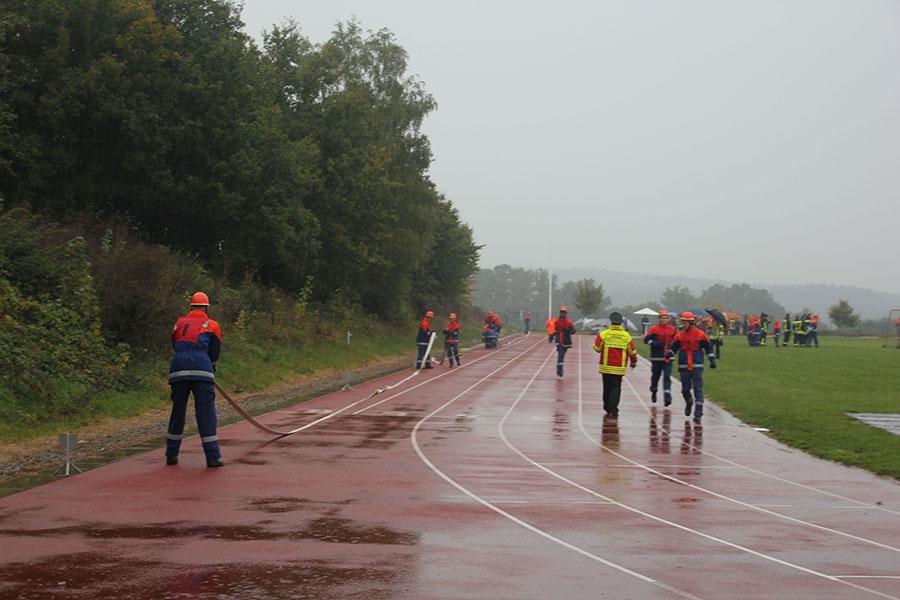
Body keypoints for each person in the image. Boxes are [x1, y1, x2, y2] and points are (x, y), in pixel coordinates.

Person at [166, 292, 224, 467]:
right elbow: (214, 352)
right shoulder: (212, 325)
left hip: (178, 369)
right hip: (202, 370)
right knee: (205, 412)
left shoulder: (179, 323)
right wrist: (210, 367)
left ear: (191, 306)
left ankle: (171, 454)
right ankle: (212, 457)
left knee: (178, 411)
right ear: (206, 307)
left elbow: (175, 344)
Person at [667, 311, 716, 424]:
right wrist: (669, 353)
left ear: (690, 322)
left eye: (684, 322)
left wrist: (712, 360)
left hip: (697, 365)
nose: (682, 324)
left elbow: (708, 348)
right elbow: (673, 348)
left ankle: (698, 413)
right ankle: (689, 402)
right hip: (684, 366)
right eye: (682, 321)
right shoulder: (679, 335)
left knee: (698, 389)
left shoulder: (701, 334)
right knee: (685, 389)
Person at [593, 312, 638, 417]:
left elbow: (597, 348)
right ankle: (614, 408)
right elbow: (632, 352)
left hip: (606, 367)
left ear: (611, 322)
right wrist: (633, 362)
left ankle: (607, 407)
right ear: (621, 323)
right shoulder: (627, 336)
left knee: (607, 387)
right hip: (619, 368)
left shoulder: (604, 334)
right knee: (616, 387)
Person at [644, 309, 677, 406]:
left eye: (665, 318)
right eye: (662, 318)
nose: (664, 320)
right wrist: (654, 343)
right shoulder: (654, 329)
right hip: (656, 357)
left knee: (667, 376)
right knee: (655, 377)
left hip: (668, 358)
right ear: (659, 319)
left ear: (668, 319)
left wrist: (672, 349)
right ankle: (654, 390)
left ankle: (667, 397)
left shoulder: (672, 330)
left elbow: (676, 341)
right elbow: (646, 340)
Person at [554, 305, 576, 377]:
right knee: (560, 355)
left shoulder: (569, 322)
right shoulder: (557, 321)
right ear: (560, 313)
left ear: (566, 313)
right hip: (559, 340)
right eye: (561, 312)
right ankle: (560, 370)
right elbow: (556, 330)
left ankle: (559, 369)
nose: (562, 313)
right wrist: (556, 341)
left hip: (566, 341)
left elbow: (573, 331)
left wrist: (568, 332)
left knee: (561, 355)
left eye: (564, 312)